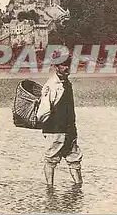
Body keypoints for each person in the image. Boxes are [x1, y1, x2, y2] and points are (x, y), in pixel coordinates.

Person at [37, 56, 83, 187]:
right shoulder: (51, 85)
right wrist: (47, 127)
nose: (67, 67)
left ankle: (78, 187)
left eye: (68, 64)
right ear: (56, 67)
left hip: (69, 129)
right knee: (51, 159)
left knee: (74, 158)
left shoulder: (66, 83)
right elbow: (43, 111)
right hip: (56, 129)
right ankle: (50, 187)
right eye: (63, 65)